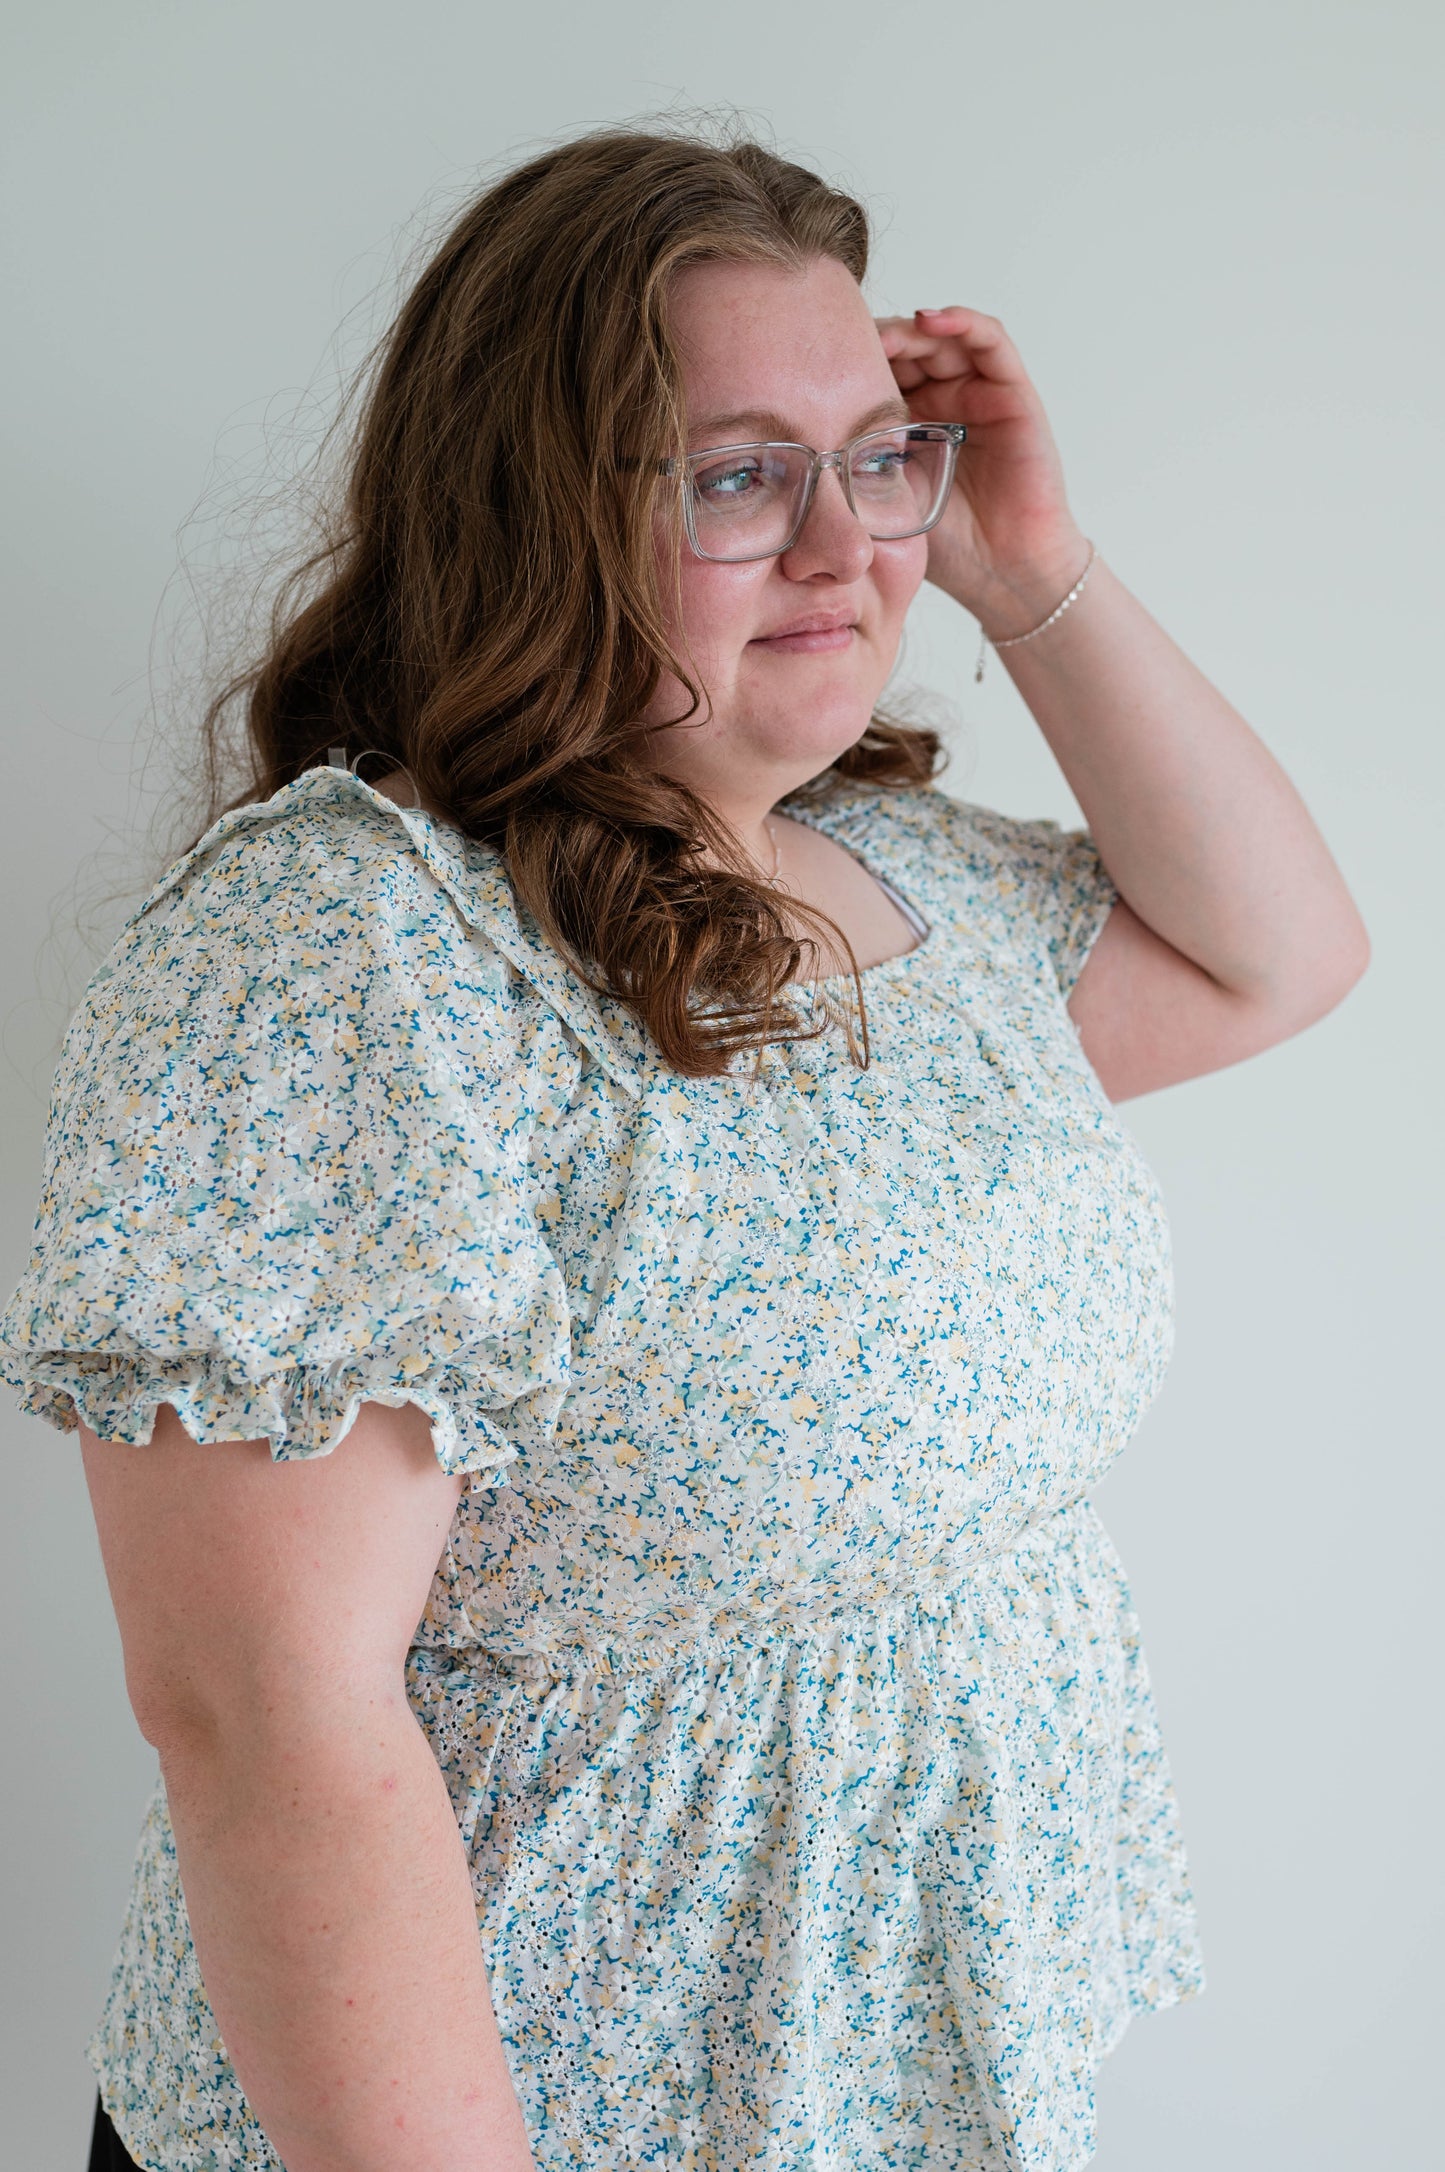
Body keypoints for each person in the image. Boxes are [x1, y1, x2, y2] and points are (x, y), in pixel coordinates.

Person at [4, 125, 1368, 2172]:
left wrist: (1023, 561)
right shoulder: (354, 953)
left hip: (885, 2088)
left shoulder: (907, 876)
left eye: (878, 453)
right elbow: (267, 1724)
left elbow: (1284, 957)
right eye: (740, 473)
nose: (846, 548)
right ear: (538, 511)